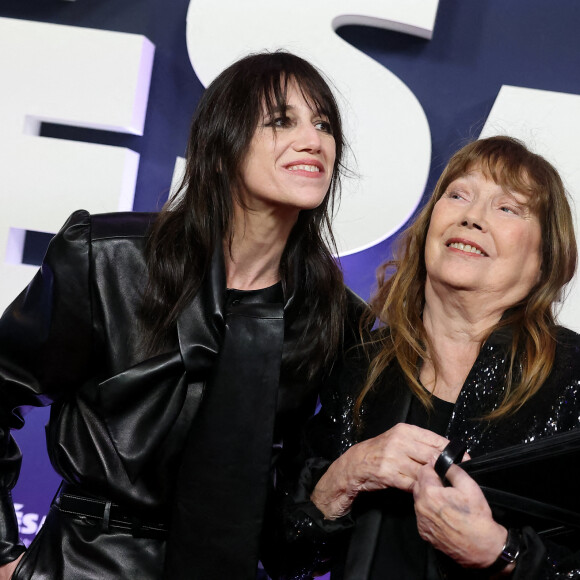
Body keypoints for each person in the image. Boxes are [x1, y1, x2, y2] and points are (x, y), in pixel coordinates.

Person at [0, 51, 364, 580]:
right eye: (281, 120)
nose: (313, 139)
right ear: (219, 149)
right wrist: (5, 556)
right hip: (83, 564)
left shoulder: (331, 316)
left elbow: (293, 508)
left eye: (324, 123)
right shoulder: (108, 258)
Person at [283, 136, 580, 579]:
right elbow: (285, 560)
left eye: (507, 208)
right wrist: (343, 479)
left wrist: (503, 554)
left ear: (545, 258)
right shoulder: (360, 365)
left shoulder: (571, 378)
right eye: (458, 194)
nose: (471, 217)